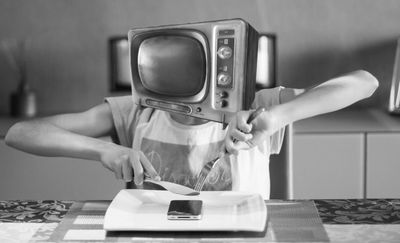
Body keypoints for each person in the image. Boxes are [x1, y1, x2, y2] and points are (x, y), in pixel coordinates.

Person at [5, 70, 378, 199]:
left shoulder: (258, 105)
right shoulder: (135, 111)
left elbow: (364, 83)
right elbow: (20, 133)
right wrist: (104, 152)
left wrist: (277, 116)